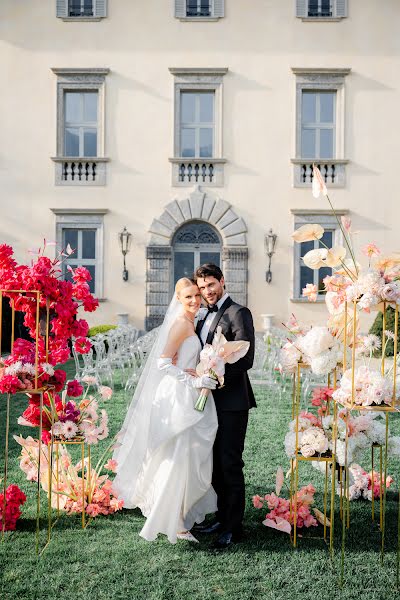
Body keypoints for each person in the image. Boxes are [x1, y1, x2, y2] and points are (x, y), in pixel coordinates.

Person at [113, 278, 218, 544]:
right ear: (179, 300)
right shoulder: (181, 323)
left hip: (191, 390)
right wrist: (193, 380)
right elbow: (162, 363)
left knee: (189, 454)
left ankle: (179, 508)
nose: (195, 300)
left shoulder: (194, 320)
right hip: (178, 395)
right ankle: (176, 521)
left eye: (197, 295)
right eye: (188, 297)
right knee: (179, 455)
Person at [193, 263, 256, 549]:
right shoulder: (202, 315)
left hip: (231, 401)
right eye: (202, 287)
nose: (207, 291)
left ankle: (234, 527)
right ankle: (221, 515)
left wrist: (216, 376)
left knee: (230, 463)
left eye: (211, 285)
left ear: (222, 281)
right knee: (214, 462)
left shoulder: (238, 313)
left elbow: (245, 358)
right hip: (208, 401)